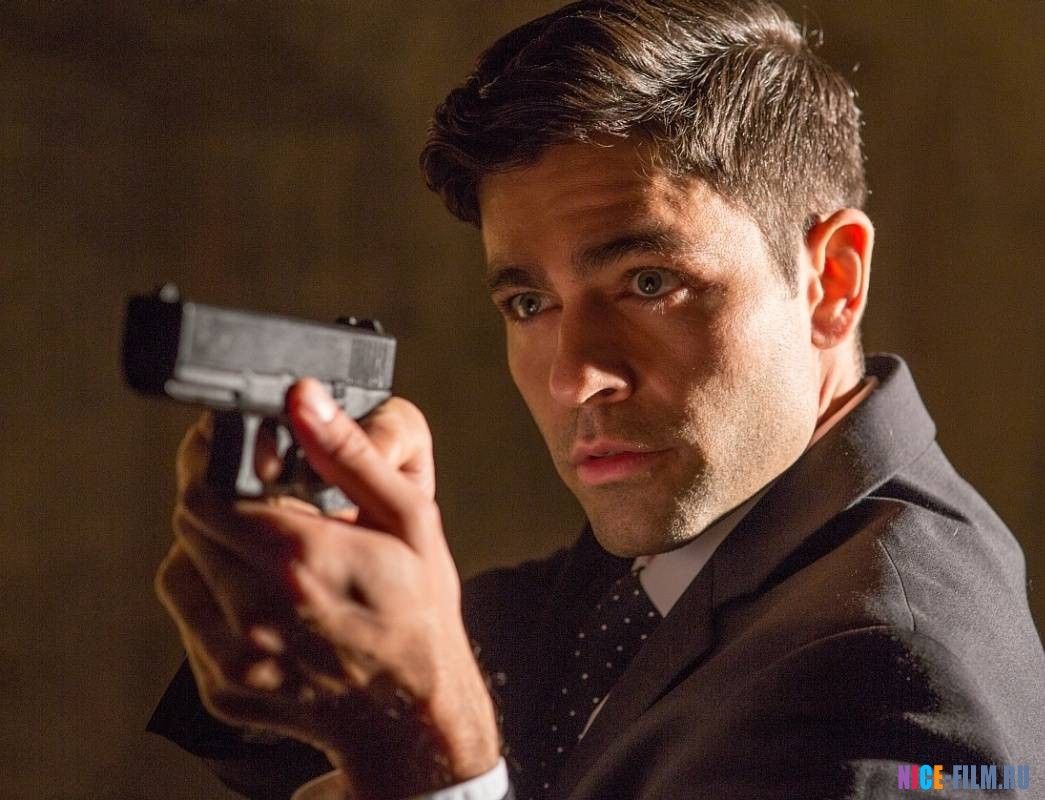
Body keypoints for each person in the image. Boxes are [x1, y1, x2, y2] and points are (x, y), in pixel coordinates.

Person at [147, 1, 1045, 798]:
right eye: (527, 304)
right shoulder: (703, 538)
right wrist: (309, 587)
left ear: (832, 281)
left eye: (648, 282)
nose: (574, 375)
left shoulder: (890, 681)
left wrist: (433, 762)